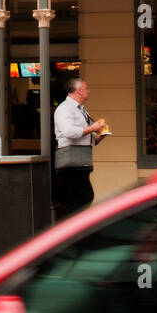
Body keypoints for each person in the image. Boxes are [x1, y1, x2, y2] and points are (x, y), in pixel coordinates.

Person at [53, 78, 106, 217]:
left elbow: (83, 137)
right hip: (72, 163)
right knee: (81, 198)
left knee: (80, 199)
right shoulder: (64, 109)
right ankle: (73, 231)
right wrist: (92, 128)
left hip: (80, 162)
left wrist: (99, 136)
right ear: (79, 91)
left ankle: (73, 229)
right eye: (86, 88)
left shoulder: (81, 110)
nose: (88, 91)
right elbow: (69, 132)